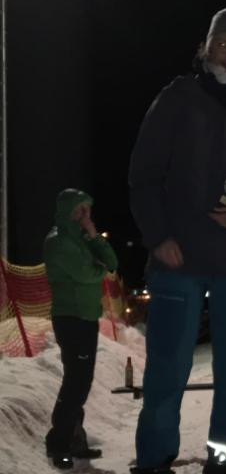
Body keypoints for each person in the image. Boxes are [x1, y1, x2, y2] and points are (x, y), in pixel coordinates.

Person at [128, 5, 226, 474]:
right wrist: (158, 237)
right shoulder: (178, 98)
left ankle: (225, 459)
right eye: (224, 45)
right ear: (206, 47)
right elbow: (143, 175)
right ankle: (154, 459)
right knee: (167, 367)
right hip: (177, 259)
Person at [43, 188, 118, 470]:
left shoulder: (83, 238)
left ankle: (74, 438)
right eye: (79, 209)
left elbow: (111, 263)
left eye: (87, 209)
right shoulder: (58, 241)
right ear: (66, 210)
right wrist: (98, 267)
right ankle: (59, 443)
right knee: (76, 383)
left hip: (86, 317)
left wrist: (93, 234)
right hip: (70, 317)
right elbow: (87, 274)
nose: (84, 214)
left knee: (81, 381)